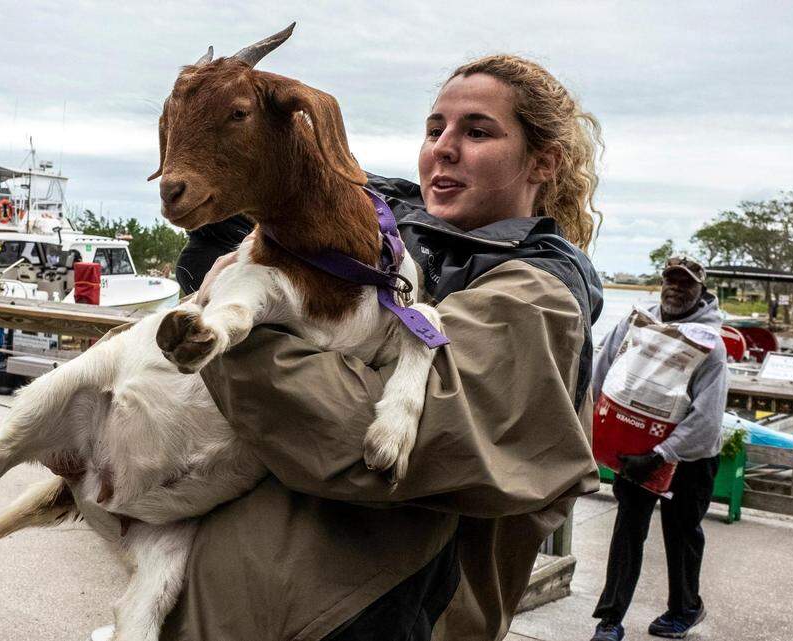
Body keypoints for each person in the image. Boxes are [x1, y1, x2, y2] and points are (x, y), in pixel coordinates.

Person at [161, 54, 604, 640]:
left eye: (477, 131)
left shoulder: (538, 292)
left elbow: (365, 438)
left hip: (363, 623)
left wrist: (224, 328)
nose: (444, 147)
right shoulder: (379, 223)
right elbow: (252, 218)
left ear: (543, 161)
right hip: (219, 609)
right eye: (434, 128)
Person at [589, 255, 728, 641]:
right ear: (661, 282)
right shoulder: (635, 323)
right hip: (634, 452)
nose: (676, 288)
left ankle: (684, 608)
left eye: (686, 283)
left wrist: (661, 454)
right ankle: (610, 620)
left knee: (682, 533)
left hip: (689, 458)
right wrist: (596, 427)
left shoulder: (711, 346)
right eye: (671, 279)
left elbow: (707, 418)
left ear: (702, 292)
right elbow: (603, 371)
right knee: (627, 532)